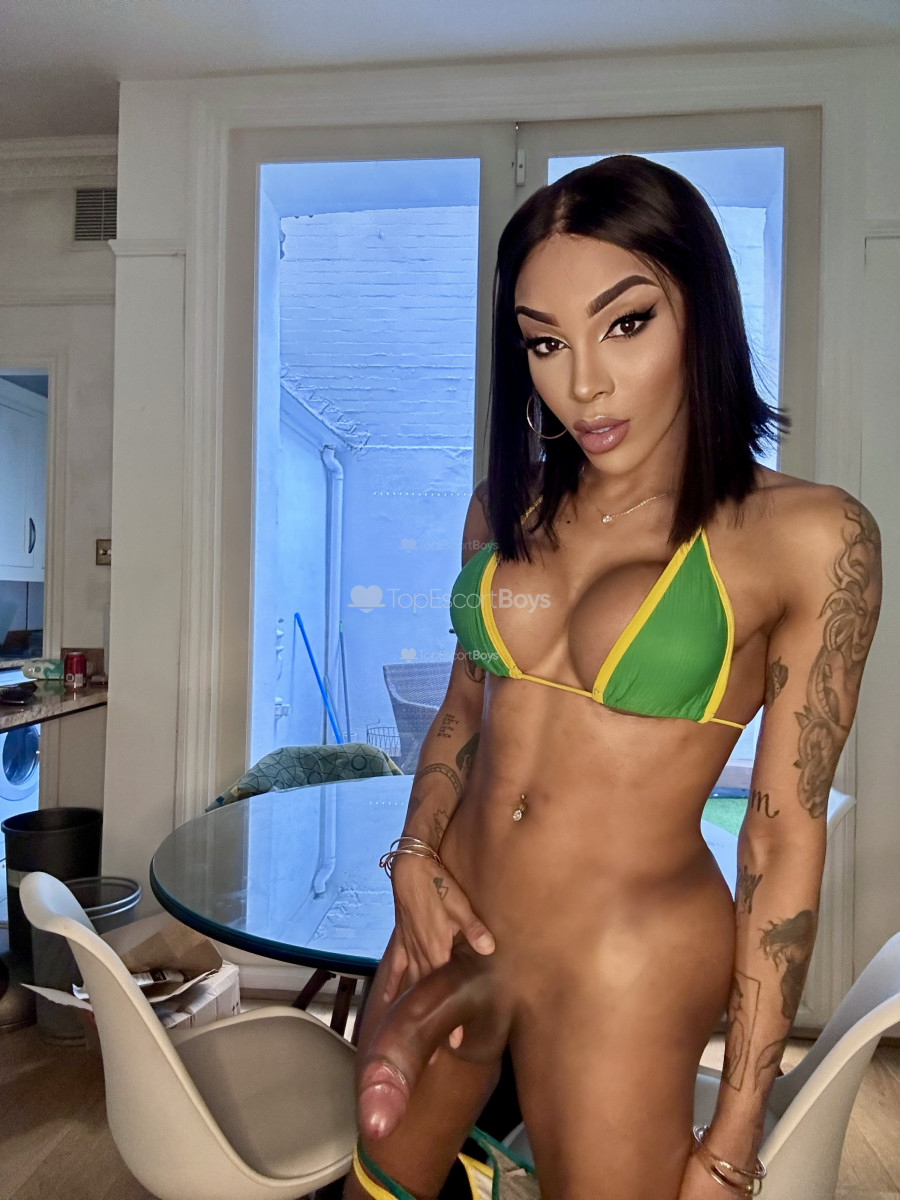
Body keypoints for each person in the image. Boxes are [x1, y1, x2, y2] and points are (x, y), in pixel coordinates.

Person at [342, 155, 882, 1200]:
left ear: (702, 314)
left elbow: (780, 839)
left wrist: (735, 1135)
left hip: (625, 958)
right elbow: (462, 713)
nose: (581, 383)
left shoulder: (811, 536)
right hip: (458, 918)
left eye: (625, 323)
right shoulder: (505, 506)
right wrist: (412, 855)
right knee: (379, 1184)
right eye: (544, 341)